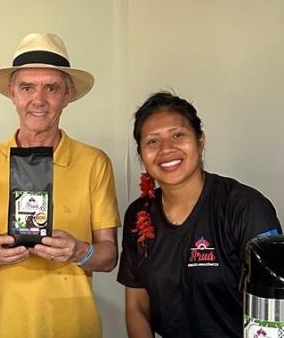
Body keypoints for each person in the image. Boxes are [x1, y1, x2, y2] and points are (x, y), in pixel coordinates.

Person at [0, 33, 120, 338]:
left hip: (74, 329)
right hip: (1, 329)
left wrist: (79, 251)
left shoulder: (94, 162)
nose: (38, 100)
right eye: (27, 87)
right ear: (12, 93)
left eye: (51, 88)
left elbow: (108, 257)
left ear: (67, 95)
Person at [117, 91, 282, 338]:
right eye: (152, 141)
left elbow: (273, 313)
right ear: (141, 153)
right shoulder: (139, 213)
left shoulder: (245, 207)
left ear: (200, 140)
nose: (166, 149)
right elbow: (137, 305)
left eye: (178, 135)